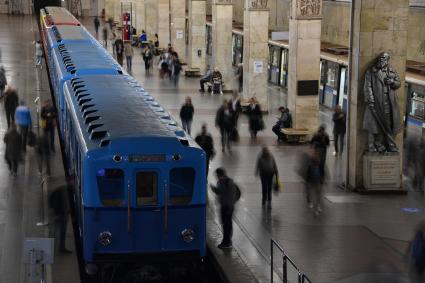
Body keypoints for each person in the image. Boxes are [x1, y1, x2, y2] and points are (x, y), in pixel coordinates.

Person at [363, 52, 401, 153]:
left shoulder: (392, 71)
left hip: (389, 103)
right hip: (377, 102)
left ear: (387, 60)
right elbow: (368, 87)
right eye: (380, 58)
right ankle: (378, 145)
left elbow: (398, 83)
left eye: (383, 58)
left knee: (388, 125)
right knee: (377, 125)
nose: (381, 60)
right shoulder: (371, 71)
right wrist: (370, 99)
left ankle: (390, 145)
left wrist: (392, 82)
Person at [210, 167, 237, 249]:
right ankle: (227, 241)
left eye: (216, 175)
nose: (216, 176)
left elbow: (219, 191)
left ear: (219, 174)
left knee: (226, 225)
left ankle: (226, 242)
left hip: (226, 206)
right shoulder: (229, 181)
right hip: (229, 206)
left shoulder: (222, 181)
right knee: (228, 224)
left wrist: (213, 188)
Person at [49, 182, 72, 253]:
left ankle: (58, 247)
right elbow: (64, 204)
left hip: (61, 214)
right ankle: (59, 248)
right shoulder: (63, 191)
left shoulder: (63, 189)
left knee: (57, 231)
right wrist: (59, 213)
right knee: (60, 232)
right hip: (61, 214)